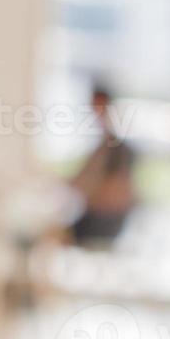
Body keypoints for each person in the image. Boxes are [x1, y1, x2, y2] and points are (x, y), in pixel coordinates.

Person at [68, 82, 136, 246]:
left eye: (97, 107)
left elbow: (114, 191)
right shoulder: (103, 146)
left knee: (58, 234)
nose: (94, 113)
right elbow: (82, 179)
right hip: (97, 216)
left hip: (105, 221)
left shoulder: (116, 148)